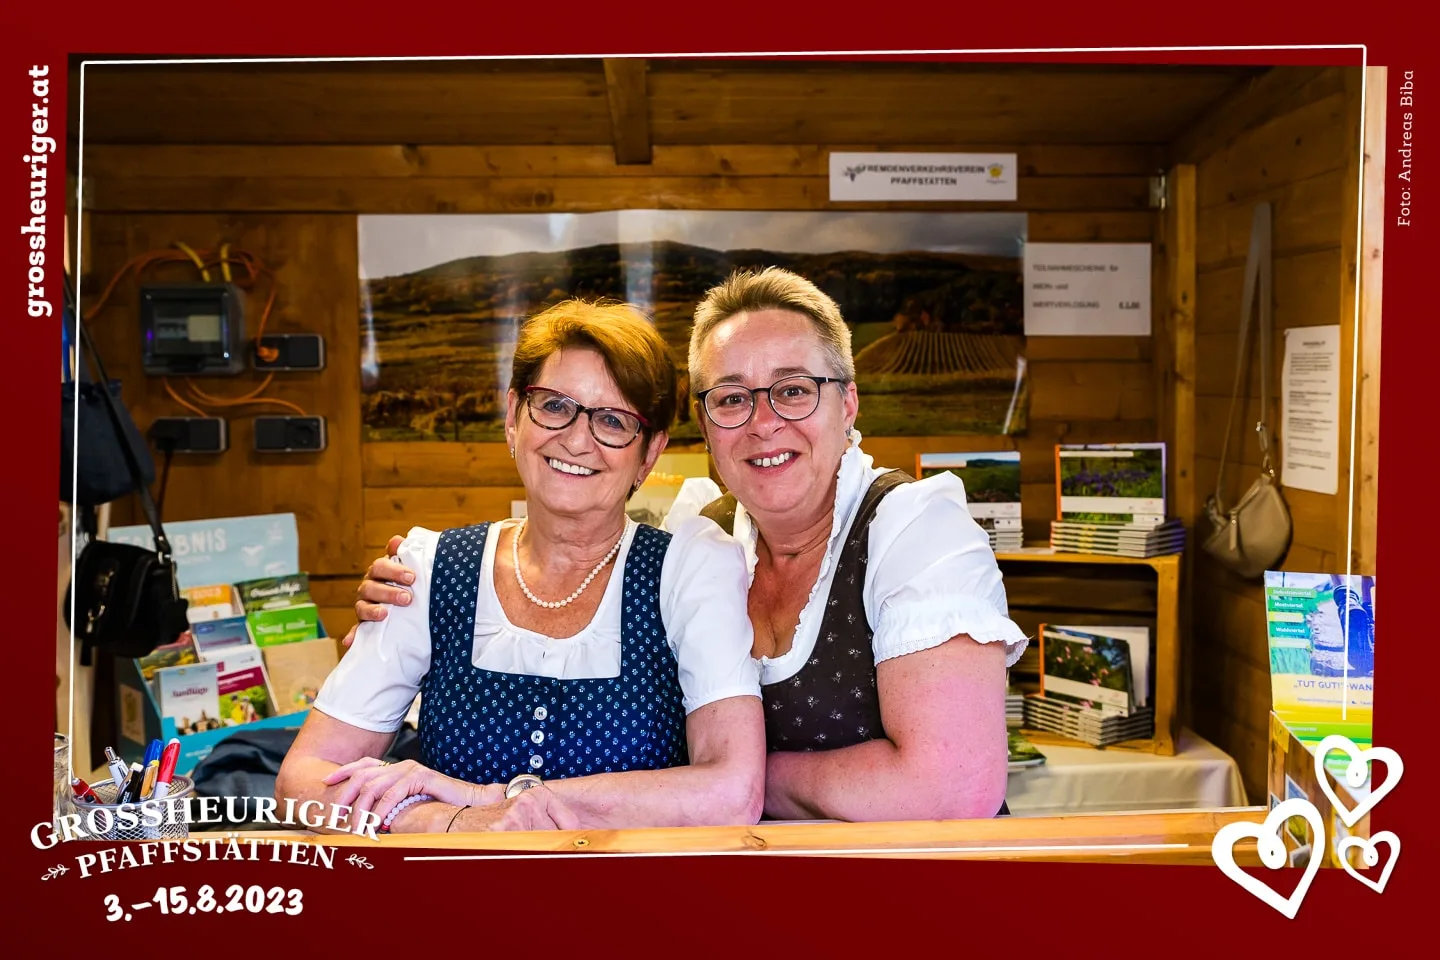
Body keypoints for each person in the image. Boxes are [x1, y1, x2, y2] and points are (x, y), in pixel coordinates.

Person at [351, 268, 1029, 823]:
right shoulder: (703, 532)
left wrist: (739, 782)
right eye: (731, 399)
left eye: (794, 390)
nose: (763, 423)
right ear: (703, 425)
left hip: (913, 894)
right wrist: (419, 609)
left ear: (848, 402)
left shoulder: (914, 530)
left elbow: (949, 788)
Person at [277, 299, 765, 834]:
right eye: (554, 406)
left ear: (648, 455)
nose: (576, 440)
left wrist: (497, 800)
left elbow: (732, 794)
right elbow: (303, 780)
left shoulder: (689, 570)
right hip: (452, 883)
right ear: (513, 417)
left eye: (613, 420)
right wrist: (445, 820)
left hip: (630, 886)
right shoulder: (429, 570)